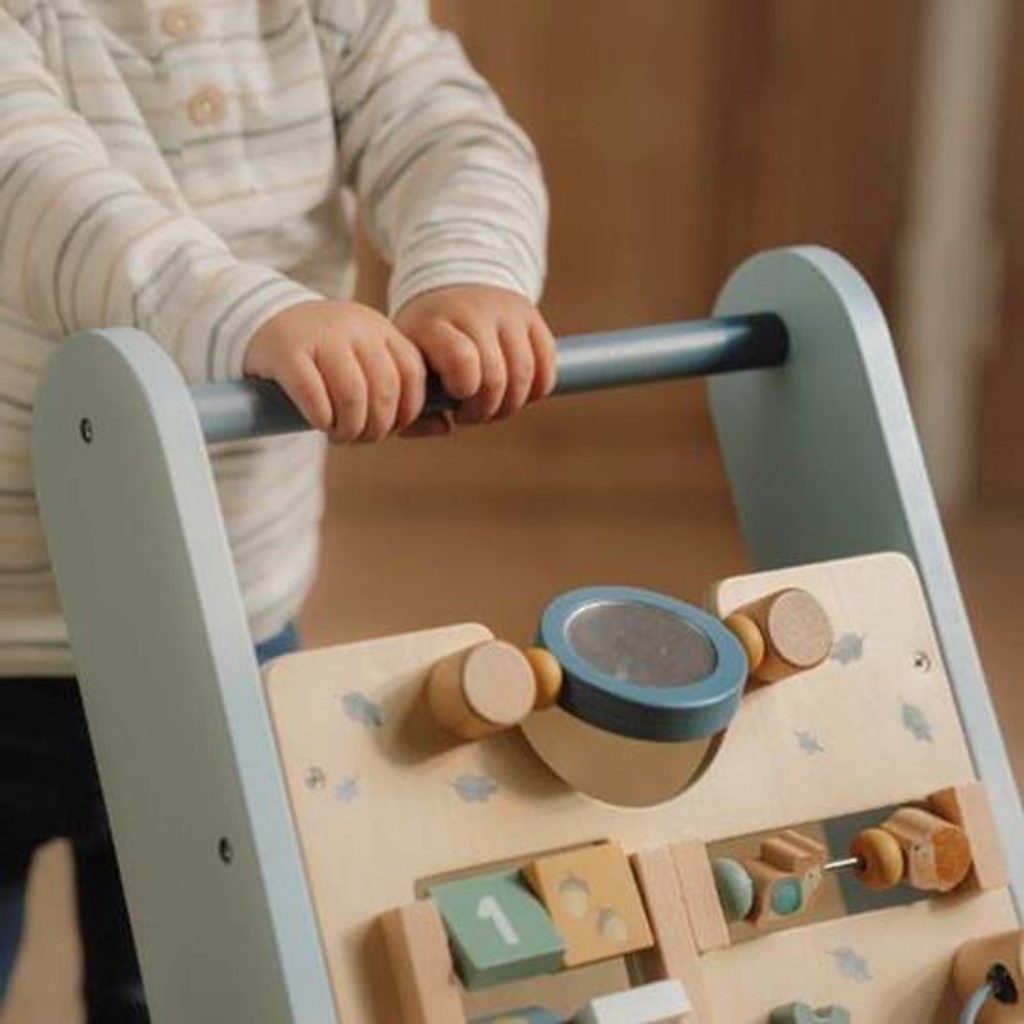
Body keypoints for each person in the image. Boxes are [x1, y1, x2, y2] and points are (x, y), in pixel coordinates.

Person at [0, 1, 553, 1020]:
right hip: (8, 626)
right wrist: (252, 312)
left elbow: (447, 129)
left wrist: (468, 271)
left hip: (224, 618)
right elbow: (34, 187)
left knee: (194, 977)